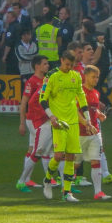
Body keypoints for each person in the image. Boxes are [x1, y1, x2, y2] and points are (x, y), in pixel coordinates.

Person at [40, 50, 94, 202]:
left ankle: (67, 192)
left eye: (72, 65)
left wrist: (87, 119)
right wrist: (51, 115)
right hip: (58, 122)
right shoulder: (51, 76)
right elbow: (42, 99)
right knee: (58, 155)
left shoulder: (76, 76)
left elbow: (82, 98)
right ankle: (47, 180)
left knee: (71, 156)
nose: (69, 67)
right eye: (67, 64)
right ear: (61, 60)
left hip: (73, 122)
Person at [77, 65, 112, 200]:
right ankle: (65, 187)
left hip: (94, 133)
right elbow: (76, 112)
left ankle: (98, 192)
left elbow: (93, 109)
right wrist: (85, 123)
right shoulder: (79, 92)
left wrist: (99, 114)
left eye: (97, 77)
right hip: (80, 133)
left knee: (95, 161)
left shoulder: (96, 93)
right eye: (93, 77)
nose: (96, 79)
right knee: (75, 163)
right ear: (85, 76)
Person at [16, 55, 51, 192]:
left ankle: (26, 179)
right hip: (34, 120)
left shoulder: (45, 80)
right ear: (37, 66)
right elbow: (24, 102)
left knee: (32, 149)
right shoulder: (32, 81)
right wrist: (22, 123)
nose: (47, 66)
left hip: (41, 119)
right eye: (45, 64)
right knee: (42, 149)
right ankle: (26, 180)